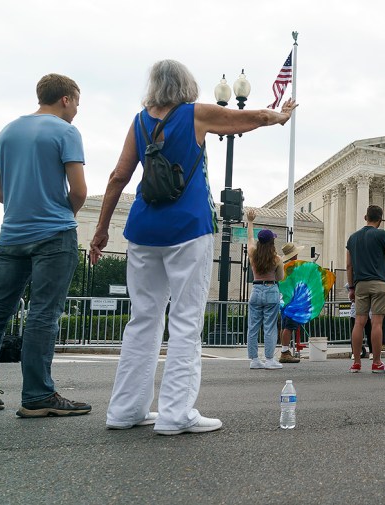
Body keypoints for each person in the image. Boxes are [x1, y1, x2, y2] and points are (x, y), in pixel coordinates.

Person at [91, 60, 297, 434]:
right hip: (188, 228)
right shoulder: (194, 115)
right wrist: (279, 117)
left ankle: (125, 410)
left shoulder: (139, 122)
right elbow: (247, 119)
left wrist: (102, 229)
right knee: (185, 320)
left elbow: (118, 176)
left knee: (143, 320)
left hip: (142, 231)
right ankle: (175, 414)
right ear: (186, 86)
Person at [0, 74, 89, 418]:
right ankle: (37, 395)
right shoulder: (65, 132)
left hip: (12, 236)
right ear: (65, 99)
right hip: (54, 235)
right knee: (43, 313)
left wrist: (23, 202)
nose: (77, 109)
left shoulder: (7, 131)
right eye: (77, 102)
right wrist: (62, 212)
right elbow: (78, 190)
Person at [346, 205, 385, 373]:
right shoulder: (380, 234)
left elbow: (348, 266)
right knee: (377, 323)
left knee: (359, 323)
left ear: (365, 217)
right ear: (380, 219)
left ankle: (356, 362)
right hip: (380, 283)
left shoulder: (352, 238)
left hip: (360, 284)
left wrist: (352, 288)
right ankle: (376, 362)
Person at [245, 209, 284, 370]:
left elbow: (249, 238)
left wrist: (250, 221)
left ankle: (254, 359)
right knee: (270, 326)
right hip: (270, 290)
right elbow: (280, 278)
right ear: (272, 242)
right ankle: (269, 359)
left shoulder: (253, 254)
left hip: (256, 290)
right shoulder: (276, 259)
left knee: (253, 327)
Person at [276, 242, 304, 364]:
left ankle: (285, 350)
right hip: (291, 301)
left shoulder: (284, 266)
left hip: (283, 300)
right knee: (288, 327)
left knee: (284, 326)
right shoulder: (292, 268)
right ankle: (285, 352)